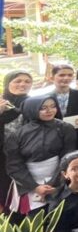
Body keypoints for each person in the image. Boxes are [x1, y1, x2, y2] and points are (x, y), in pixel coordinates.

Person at [4, 95, 76, 215]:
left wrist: (54, 183)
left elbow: (67, 157)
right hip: (29, 183)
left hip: (60, 178)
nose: (49, 111)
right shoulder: (17, 135)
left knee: (62, 216)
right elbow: (14, 165)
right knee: (36, 219)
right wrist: (35, 187)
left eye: (53, 106)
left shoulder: (65, 128)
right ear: (32, 109)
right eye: (43, 108)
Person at [0, 70, 33, 209]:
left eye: (27, 81)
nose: (23, 84)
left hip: (26, 156)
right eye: (17, 81)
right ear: (7, 83)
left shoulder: (35, 103)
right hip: (2, 158)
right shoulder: (1, 102)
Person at [52, 64, 78, 149]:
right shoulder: (46, 98)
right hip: (56, 140)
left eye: (70, 75)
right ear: (52, 77)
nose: (66, 78)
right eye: (62, 75)